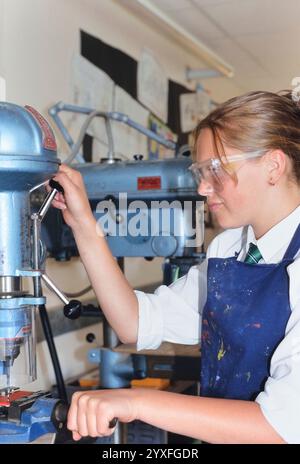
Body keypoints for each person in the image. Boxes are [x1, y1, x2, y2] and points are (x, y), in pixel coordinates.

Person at [51, 90, 300, 444]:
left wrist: (134, 401)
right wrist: (83, 225)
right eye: (200, 171)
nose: (201, 188)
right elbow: (135, 323)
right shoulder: (229, 249)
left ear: (273, 166)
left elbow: (277, 427)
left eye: (214, 170)